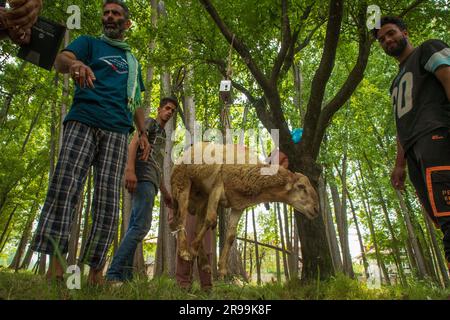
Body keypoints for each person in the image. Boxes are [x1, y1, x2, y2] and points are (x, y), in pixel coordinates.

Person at [30, 0, 150, 285]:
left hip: (118, 132)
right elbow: (61, 60)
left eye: (116, 13)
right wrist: (76, 62)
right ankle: (56, 267)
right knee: (65, 187)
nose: (109, 17)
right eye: (106, 13)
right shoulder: (88, 43)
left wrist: (143, 132)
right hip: (83, 119)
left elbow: (136, 102)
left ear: (127, 23)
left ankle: (96, 273)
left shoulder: (133, 62)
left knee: (108, 202)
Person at [372, 17, 450, 271]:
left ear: (405, 32)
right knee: (439, 217)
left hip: (436, 135)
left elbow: (448, 78)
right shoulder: (395, 83)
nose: (387, 41)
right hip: (414, 150)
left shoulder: (427, 49)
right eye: (382, 40)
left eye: (391, 34)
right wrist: (399, 164)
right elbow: (401, 124)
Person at [106, 97, 177, 283]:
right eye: (167, 108)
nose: (169, 112)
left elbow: (158, 167)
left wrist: (165, 193)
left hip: (152, 181)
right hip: (142, 177)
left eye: (173, 111)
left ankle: (126, 276)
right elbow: (133, 143)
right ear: (159, 109)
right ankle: (113, 273)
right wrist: (129, 169)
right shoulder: (150, 123)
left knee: (134, 226)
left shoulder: (162, 135)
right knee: (141, 226)